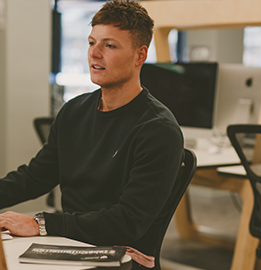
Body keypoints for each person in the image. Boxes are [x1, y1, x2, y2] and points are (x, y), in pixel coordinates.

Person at [0, 0, 184, 268]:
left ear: (140, 56)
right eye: (91, 42)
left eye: (109, 46)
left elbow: (127, 222)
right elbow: (35, 177)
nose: (94, 53)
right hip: (68, 243)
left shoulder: (158, 130)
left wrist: (40, 224)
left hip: (119, 255)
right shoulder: (74, 110)